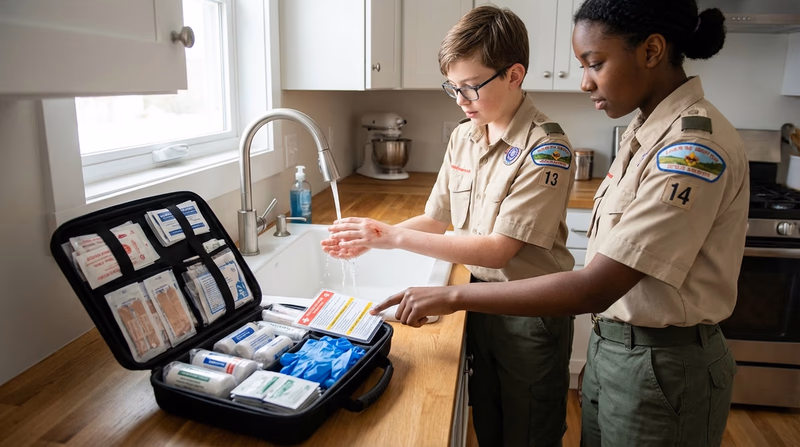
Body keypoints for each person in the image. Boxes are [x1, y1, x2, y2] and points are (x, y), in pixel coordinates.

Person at [370, 0, 748, 445]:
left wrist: (451, 294)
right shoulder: (644, 132)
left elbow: (596, 285)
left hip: (662, 360)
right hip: (614, 347)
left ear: (651, 50)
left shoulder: (690, 149)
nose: (585, 81)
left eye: (596, 63)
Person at [322, 5, 576, 446]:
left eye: (471, 87)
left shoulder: (546, 149)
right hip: (479, 301)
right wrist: (378, 238)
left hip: (529, 315)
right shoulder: (464, 135)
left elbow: (498, 250)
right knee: (491, 426)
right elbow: (439, 219)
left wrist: (396, 237)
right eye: (453, 88)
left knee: (530, 433)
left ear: (514, 75)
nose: (460, 100)